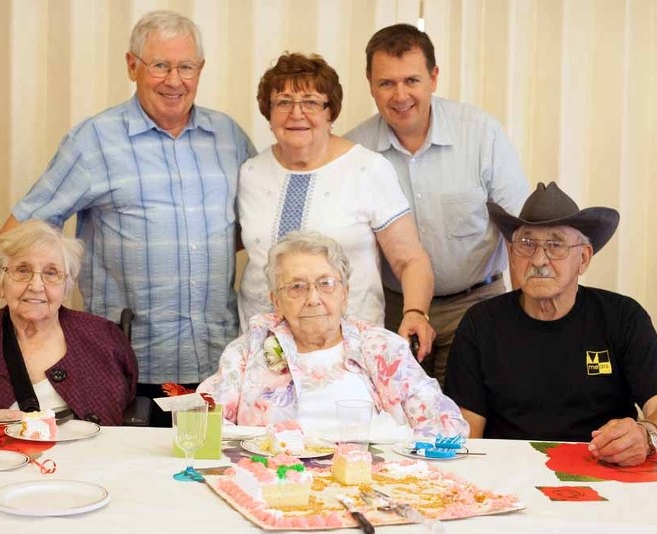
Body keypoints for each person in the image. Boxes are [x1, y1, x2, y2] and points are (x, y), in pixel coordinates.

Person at [0, 11, 255, 425]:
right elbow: (31, 220)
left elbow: (249, 226)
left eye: (186, 67)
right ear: (132, 66)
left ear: (200, 70)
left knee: (207, 478)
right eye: (160, 65)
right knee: (132, 479)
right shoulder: (94, 140)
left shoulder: (229, 136)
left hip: (220, 362)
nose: (174, 80)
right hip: (131, 359)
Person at [445, 182, 657, 466]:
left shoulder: (623, 317)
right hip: (508, 474)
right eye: (526, 244)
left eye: (555, 245)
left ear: (583, 258)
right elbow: (465, 433)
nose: (538, 259)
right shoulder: (481, 323)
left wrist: (647, 436)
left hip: (606, 472)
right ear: (511, 253)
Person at [346, 24, 530, 384]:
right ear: (369, 83)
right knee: (397, 424)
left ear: (434, 77)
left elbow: (519, 232)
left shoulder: (480, 134)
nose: (400, 95)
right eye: (387, 83)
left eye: (412, 80)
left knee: (466, 425)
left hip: (475, 306)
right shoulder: (354, 150)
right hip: (392, 308)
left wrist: (525, 320)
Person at [238, 52, 435, 359]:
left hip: (349, 350)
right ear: (269, 112)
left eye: (311, 102)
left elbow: (410, 259)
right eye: (284, 102)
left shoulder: (367, 169)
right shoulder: (250, 172)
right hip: (262, 351)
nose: (296, 113)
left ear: (331, 111)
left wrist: (415, 312)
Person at [199, 232, 468, 438]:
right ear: (276, 300)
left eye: (326, 284)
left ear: (345, 295)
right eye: (296, 287)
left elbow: (448, 426)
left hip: (370, 482)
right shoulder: (248, 350)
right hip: (273, 483)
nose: (313, 299)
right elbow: (203, 420)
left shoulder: (383, 349)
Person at [0, 220, 138, 425]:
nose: (35, 285)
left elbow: (127, 403)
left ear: (66, 288)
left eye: (51, 273)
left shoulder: (103, 336)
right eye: (22, 270)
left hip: (92, 456)